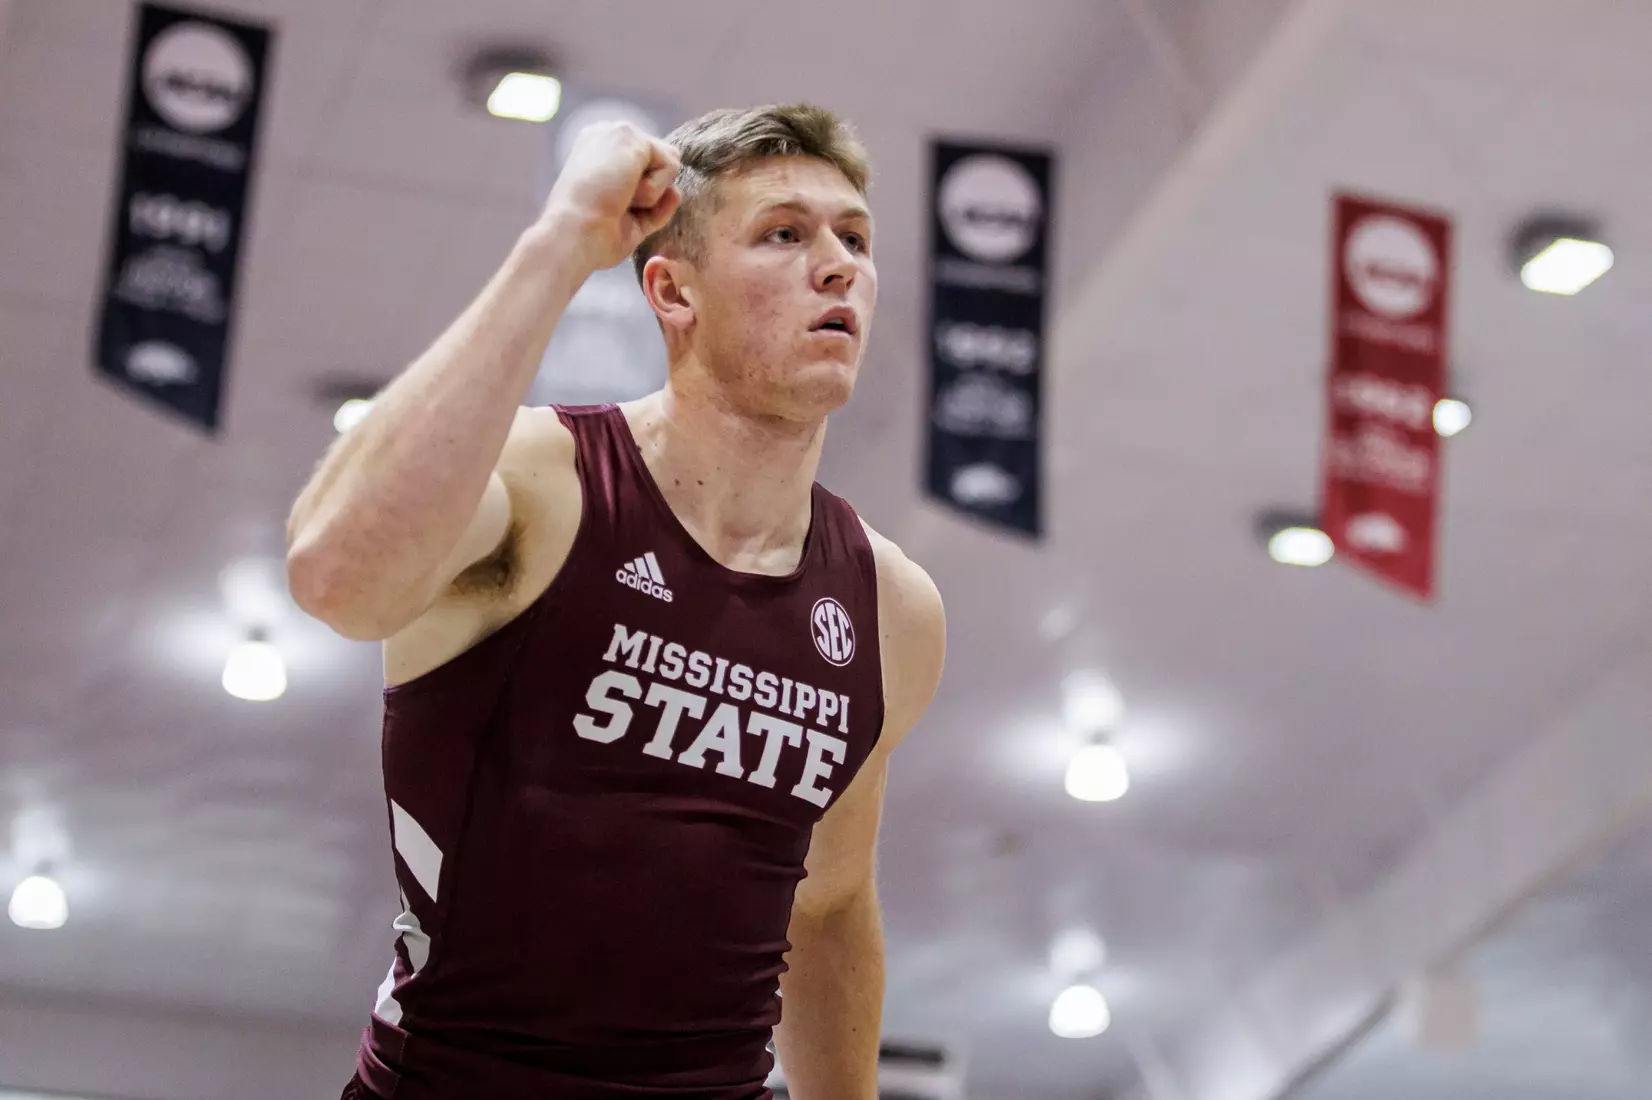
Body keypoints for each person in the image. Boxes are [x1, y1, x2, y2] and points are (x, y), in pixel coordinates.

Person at [285, 103, 947, 1100]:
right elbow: (332, 573)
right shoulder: (542, 488)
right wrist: (560, 242)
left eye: (853, 237)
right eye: (783, 234)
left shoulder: (888, 603)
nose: (837, 263)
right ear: (672, 292)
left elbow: (830, 902)